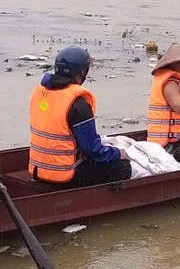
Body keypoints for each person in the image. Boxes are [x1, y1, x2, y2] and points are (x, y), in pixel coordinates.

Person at [28, 46, 132, 187]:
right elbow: (92, 150)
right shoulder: (78, 103)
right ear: (82, 72)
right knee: (122, 167)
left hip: (38, 172)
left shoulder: (40, 93)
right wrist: (117, 153)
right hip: (65, 175)